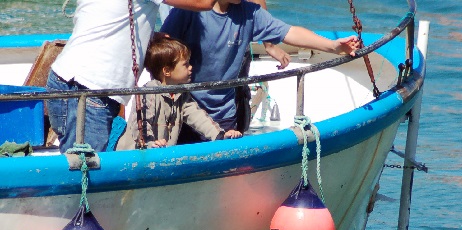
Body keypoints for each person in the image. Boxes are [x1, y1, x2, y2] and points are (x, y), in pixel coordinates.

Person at [160, 0, 360, 140]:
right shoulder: (187, 11)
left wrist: (333, 46)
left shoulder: (250, 13)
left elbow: (289, 32)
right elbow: (162, 46)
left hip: (224, 116)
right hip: (185, 113)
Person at [46, 0, 218, 153]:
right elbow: (203, 2)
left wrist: (148, 36)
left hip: (68, 80)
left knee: (80, 165)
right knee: (87, 171)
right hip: (87, 89)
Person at [116, 35, 242, 150]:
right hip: (136, 153)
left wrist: (220, 135)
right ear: (167, 71)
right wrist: (149, 144)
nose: (191, 67)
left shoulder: (181, 94)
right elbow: (141, 123)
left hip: (160, 151)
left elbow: (197, 116)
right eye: (185, 64)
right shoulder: (148, 93)